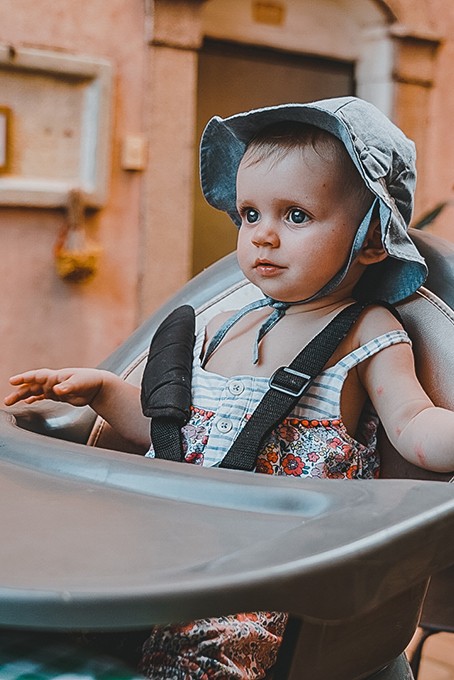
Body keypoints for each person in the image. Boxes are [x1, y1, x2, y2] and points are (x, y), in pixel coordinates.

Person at [5, 96, 454, 679]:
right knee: (50, 607)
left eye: (295, 216)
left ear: (372, 239)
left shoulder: (366, 333)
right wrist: (103, 392)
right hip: (169, 544)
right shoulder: (220, 324)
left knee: (199, 659)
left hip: (269, 569)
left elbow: (416, 429)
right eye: (249, 214)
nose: (263, 236)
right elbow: (173, 430)